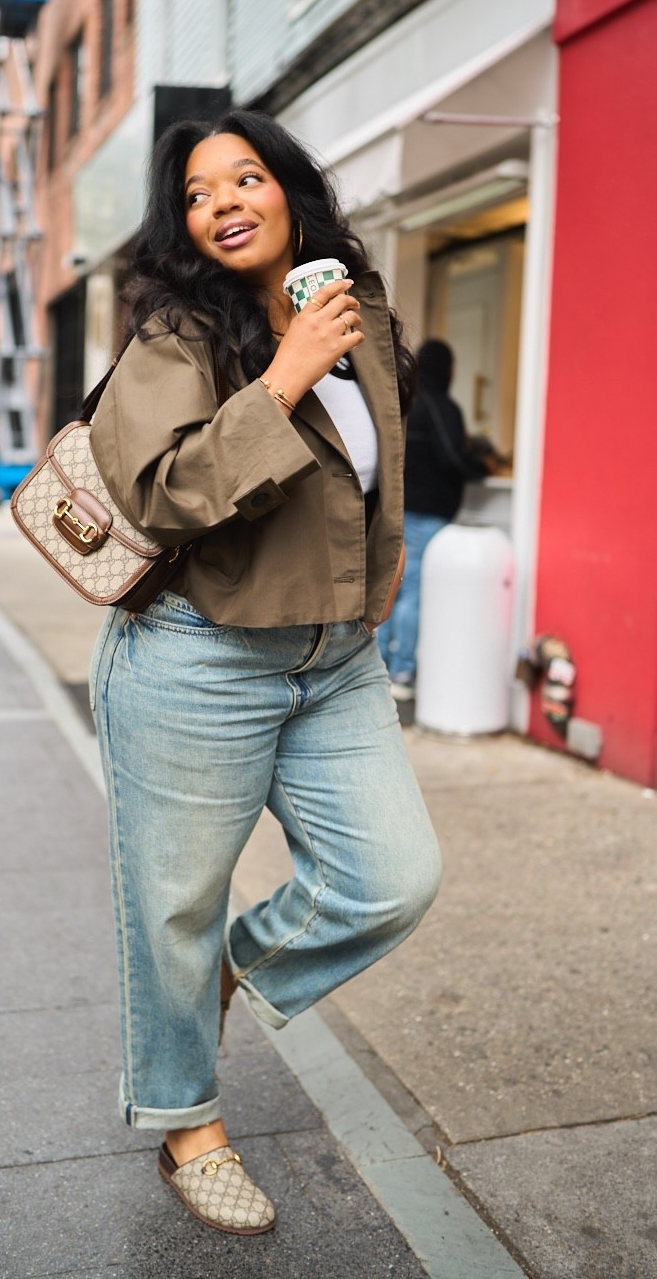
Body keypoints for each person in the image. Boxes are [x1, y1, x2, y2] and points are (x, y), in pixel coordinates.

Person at [88, 109, 442, 1236]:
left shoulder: (353, 309)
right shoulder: (175, 336)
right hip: (200, 656)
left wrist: (380, 587)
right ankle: (191, 1125)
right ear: (183, 222)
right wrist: (285, 377)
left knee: (392, 876)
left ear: (292, 191)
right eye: (199, 192)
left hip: (335, 657)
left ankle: (221, 972)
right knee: (174, 903)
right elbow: (159, 493)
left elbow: (384, 467)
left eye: (248, 177)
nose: (226, 201)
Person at [376, 337, 500, 700]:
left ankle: (380, 666)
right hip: (426, 512)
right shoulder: (441, 406)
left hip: (396, 508)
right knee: (412, 591)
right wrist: (483, 466)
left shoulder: (402, 401)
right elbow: (453, 456)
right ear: (447, 369)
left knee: (392, 588)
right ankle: (402, 672)